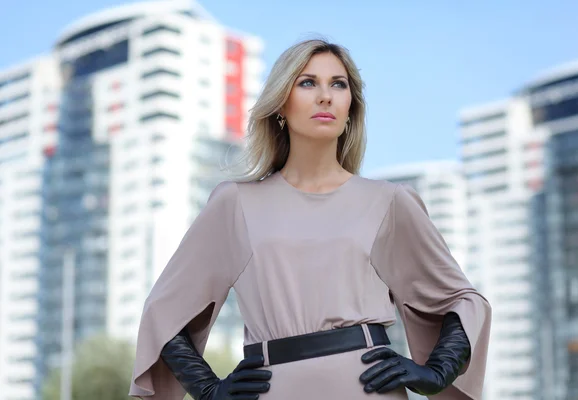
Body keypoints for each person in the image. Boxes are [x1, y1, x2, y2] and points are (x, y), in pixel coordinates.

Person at [128, 38, 492, 400]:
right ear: (280, 104)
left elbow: (462, 299)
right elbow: (164, 310)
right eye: (307, 83)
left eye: (338, 84)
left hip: (369, 390)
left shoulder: (388, 202)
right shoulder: (235, 203)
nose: (326, 96)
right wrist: (208, 389)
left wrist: (437, 371)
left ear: (351, 108)